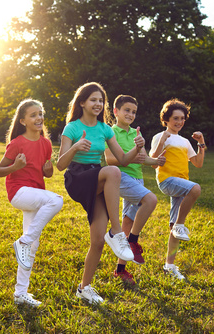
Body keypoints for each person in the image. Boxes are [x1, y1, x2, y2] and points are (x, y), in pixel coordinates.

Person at [56, 82, 145, 304]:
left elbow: (124, 159)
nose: (98, 104)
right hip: (77, 178)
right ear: (82, 102)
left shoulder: (105, 129)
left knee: (97, 240)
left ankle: (84, 287)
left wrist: (137, 147)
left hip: (97, 178)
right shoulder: (72, 128)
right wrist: (75, 147)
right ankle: (117, 232)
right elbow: (59, 165)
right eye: (94, 99)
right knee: (112, 172)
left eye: (101, 100)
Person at [0, 99, 63, 307]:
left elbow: (47, 173)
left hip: (36, 193)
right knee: (57, 200)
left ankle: (20, 293)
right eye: (33, 115)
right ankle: (22, 242)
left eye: (40, 114)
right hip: (19, 192)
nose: (39, 118)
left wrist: (48, 167)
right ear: (23, 120)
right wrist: (16, 165)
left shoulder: (46, 143)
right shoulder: (16, 143)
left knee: (33, 245)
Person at [104, 95, 166, 285]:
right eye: (126, 110)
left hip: (137, 179)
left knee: (128, 221)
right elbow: (110, 160)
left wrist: (155, 161)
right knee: (151, 200)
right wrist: (132, 157)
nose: (130, 114)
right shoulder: (110, 132)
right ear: (116, 112)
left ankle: (120, 270)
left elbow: (143, 158)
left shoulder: (135, 133)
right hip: (120, 177)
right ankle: (133, 240)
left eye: (133, 112)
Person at [150, 98, 205, 281]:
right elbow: (152, 160)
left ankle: (169, 266)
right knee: (196, 189)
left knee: (173, 228)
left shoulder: (184, 141)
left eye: (182, 118)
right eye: (175, 118)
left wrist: (201, 144)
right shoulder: (160, 136)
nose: (179, 122)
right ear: (166, 119)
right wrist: (162, 141)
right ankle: (181, 225)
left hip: (182, 184)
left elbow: (197, 163)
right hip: (167, 181)